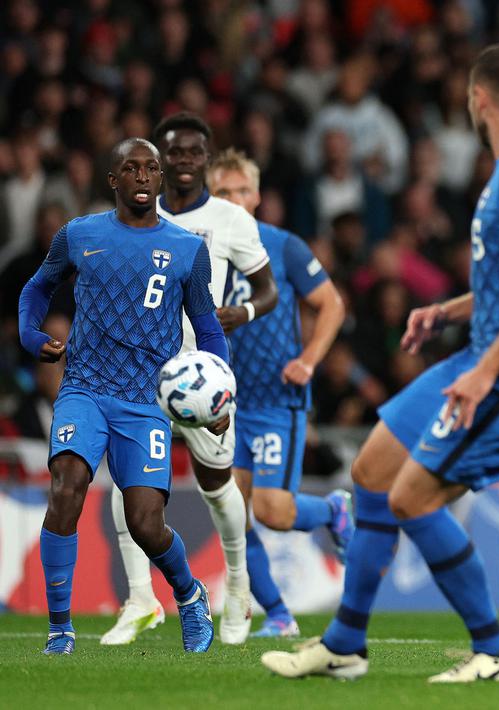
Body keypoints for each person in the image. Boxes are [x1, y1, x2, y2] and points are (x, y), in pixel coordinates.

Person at [261, 43, 499, 682]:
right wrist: (453, 310)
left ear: (477, 99)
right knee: (373, 468)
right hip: (478, 352)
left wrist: (485, 370)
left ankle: (495, 651)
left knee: (410, 498)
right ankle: (346, 643)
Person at [17, 137, 224, 654]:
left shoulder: (187, 250)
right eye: (130, 168)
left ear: (159, 180)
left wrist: (221, 399)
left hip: (145, 400)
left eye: (150, 168)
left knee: (146, 524)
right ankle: (60, 628)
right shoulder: (78, 234)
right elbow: (36, 288)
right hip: (84, 387)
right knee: (66, 486)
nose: (141, 176)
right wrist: (31, 336)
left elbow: (209, 329)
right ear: (113, 180)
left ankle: (188, 592)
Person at [102, 112, 278, 647]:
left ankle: (240, 587)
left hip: (202, 375)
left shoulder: (230, 219)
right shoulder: (134, 215)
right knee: (127, 480)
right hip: (140, 371)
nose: (182, 162)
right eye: (172, 153)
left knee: (216, 483)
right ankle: (140, 598)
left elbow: (266, 288)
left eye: (193, 153)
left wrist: (238, 316)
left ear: (206, 158)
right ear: (157, 160)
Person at [207, 148, 351, 639]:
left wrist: (309, 359)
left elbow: (331, 303)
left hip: (275, 402)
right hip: (224, 408)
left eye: (240, 191)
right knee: (233, 517)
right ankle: (280, 616)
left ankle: (332, 509)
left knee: (273, 510)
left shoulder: (283, 246)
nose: (232, 199)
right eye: (222, 192)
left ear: (257, 196)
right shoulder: (199, 253)